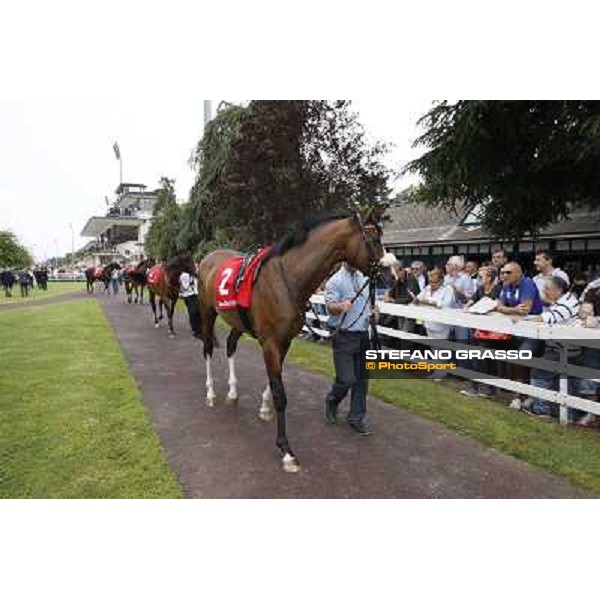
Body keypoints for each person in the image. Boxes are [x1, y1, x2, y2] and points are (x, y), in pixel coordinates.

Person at [324, 262, 375, 436]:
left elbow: (368, 304)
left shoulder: (363, 277)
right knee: (346, 379)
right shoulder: (335, 281)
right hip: (343, 335)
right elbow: (330, 308)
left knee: (362, 380)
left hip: (362, 335)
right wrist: (340, 307)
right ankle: (332, 400)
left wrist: (374, 312)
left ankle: (356, 417)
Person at [520, 276, 581, 417]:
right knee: (564, 382)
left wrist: (521, 321)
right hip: (562, 348)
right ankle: (569, 415)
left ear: (558, 290)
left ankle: (541, 409)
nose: (544, 291)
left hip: (564, 349)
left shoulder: (566, 303)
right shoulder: (562, 301)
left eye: (547, 288)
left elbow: (547, 318)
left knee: (539, 371)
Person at [495, 261, 545, 410]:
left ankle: (521, 396)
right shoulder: (506, 285)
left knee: (522, 358)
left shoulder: (527, 283)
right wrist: (512, 310)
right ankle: (521, 395)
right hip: (517, 330)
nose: (504, 275)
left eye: (508, 272)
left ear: (519, 273)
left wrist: (506, 309)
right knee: (517, 361)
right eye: (503, 272)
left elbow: (525, 309)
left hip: (533, 331)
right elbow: (498, 306)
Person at [460, 264, 504, 398]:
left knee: (487, 359)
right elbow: (471, 301)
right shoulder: (480, 289)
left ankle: (488, 388)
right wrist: (467, 308)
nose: (479, 279)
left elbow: (494, 305)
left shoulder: (498, 289)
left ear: (490, 278)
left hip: (492, 330)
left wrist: (478, 309)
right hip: (480, 329)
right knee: (478, 357)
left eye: (481, 276)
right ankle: (477, 387)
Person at [179, 270, 201, 338]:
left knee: (197, 312)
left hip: (195, 295)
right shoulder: (184, 275)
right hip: (188, 295)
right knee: (193, 312)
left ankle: (198, 328)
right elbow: (185, 287)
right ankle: (195, 330)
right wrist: (191, 282)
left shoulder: (194, 274)